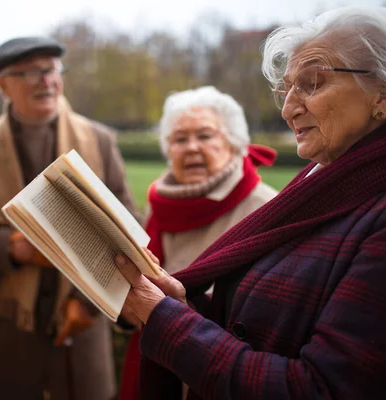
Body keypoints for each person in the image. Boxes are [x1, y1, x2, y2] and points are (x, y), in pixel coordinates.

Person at [115, 6, 386, 399]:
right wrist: (182, 307)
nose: (289, 109)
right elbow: (257, 324)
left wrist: (166, 320)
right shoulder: (323, 181)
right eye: (286, 89)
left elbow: (320, 388)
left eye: (313, 83)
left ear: (384, 95)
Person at [0, 36, 137, 400]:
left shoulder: (99, 140)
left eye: (51, 70)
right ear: (2, 85)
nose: (46, 81)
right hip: (12, 328)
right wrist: (11, 247)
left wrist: (87, 302)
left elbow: (130, 226)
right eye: (31, 72)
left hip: (84, 322)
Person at [118, 86, 278, 400]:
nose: (191, 148)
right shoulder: (160, 202)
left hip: (215, 371)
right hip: (155, 354)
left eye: (205, 136)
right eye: (179, 139)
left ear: (234, 144)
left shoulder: (265, 208)